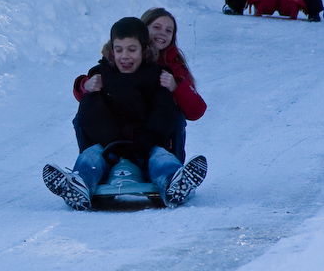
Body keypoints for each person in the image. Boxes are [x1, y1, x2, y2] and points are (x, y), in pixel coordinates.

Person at [44, 17, 208, 211]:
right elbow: (90, 111)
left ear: (145, 50)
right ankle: (80, 184)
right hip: (109, 148)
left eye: (132, 49)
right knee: (90, 157)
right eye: (119, 49)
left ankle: (174, 182)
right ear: (111, 51)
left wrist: (148, 139)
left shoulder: (158, 76)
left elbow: (165, 111)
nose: (125, 56)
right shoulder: (101, 75)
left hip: (146, 146)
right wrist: (112, 142)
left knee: (161, 158)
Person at [140, 7, 207, 162]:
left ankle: (173, 170)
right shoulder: (128, 54)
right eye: (156, 27)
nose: (163, 33)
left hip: (160, 131)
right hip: (127, 124)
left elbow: (196, 110)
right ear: (143, 28)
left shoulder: (174, 64)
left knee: (175, 115)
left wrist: (176, 88)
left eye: (168, 31)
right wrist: (85, 85)